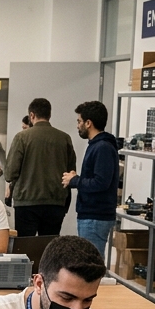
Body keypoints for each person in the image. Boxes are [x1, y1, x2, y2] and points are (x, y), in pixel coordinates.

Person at [4, 98, 77, 236]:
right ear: (49, 115)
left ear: (32, 115)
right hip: (55, 201)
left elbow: (10, 173)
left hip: (26, 202)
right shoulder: (64, 138)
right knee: (48, 247)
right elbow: (71, 172)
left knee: (25, 248)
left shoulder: (22, 137)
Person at [62, 101, 119, 256]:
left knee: (91, 262)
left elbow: (100, 182)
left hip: (95, 216)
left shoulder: (103, 148)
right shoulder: (97, 145)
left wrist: (74, 180)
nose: (77, 126)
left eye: (79, 121)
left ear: (88, 123)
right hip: (91, 215)